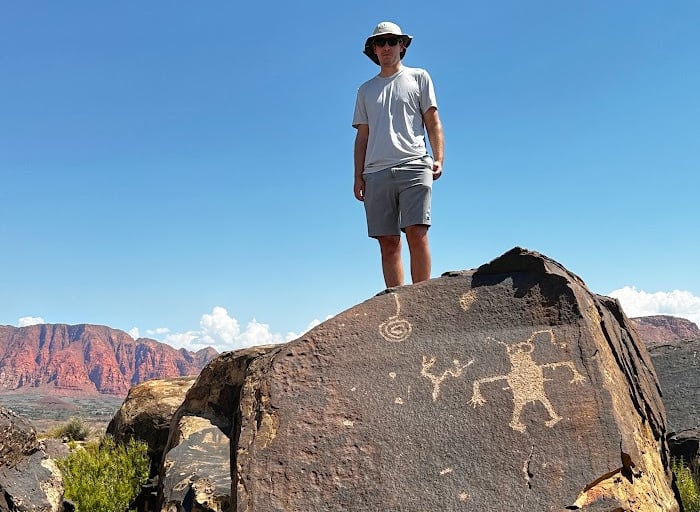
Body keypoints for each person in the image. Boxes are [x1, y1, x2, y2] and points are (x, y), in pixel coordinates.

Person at [353, 21, 444, 289]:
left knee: (417, 233)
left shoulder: (419, 77)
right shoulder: (365, 90)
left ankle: (422, 299)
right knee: (388, 242)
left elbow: (433, 122)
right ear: (373, 49)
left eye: (392, 41)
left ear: (402, 45)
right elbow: (362, 137)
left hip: (414, 164)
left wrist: (438, 158)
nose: (386, 47)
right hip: (375, 173)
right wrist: (357, 176)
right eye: (380, 42)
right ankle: (397, 302)